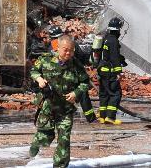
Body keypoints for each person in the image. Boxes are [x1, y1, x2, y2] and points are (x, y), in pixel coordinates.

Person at [30, 35, 91, 167]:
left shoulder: (76, 65)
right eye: (65, 50)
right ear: (58, 48)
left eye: (71, 50)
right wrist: (39, 79)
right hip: (48, 106)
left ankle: (60, 165)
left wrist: (76, 92)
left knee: (64, 139)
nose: (68, 53)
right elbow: (34, 70)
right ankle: (36, 143)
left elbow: (85, 82)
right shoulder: (45, 60)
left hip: (66, 109)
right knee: (45, 136)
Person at [48, 26, 97, 124]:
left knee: (57, 96)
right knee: (82, 95)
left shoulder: (51, 47)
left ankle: (56, 118)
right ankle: (91, 118)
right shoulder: (71, 43)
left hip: (58, 76)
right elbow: (81, 57)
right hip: (73, 75)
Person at [96, 17, 127, 124]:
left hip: (102, 71)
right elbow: (114, 57)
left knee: (104, 94)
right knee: (115, 94)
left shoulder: (105, 38)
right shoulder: (113, 40)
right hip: (110, 72)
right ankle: (110, 117)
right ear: (118, 29)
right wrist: (119, 72)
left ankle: (102, 117)